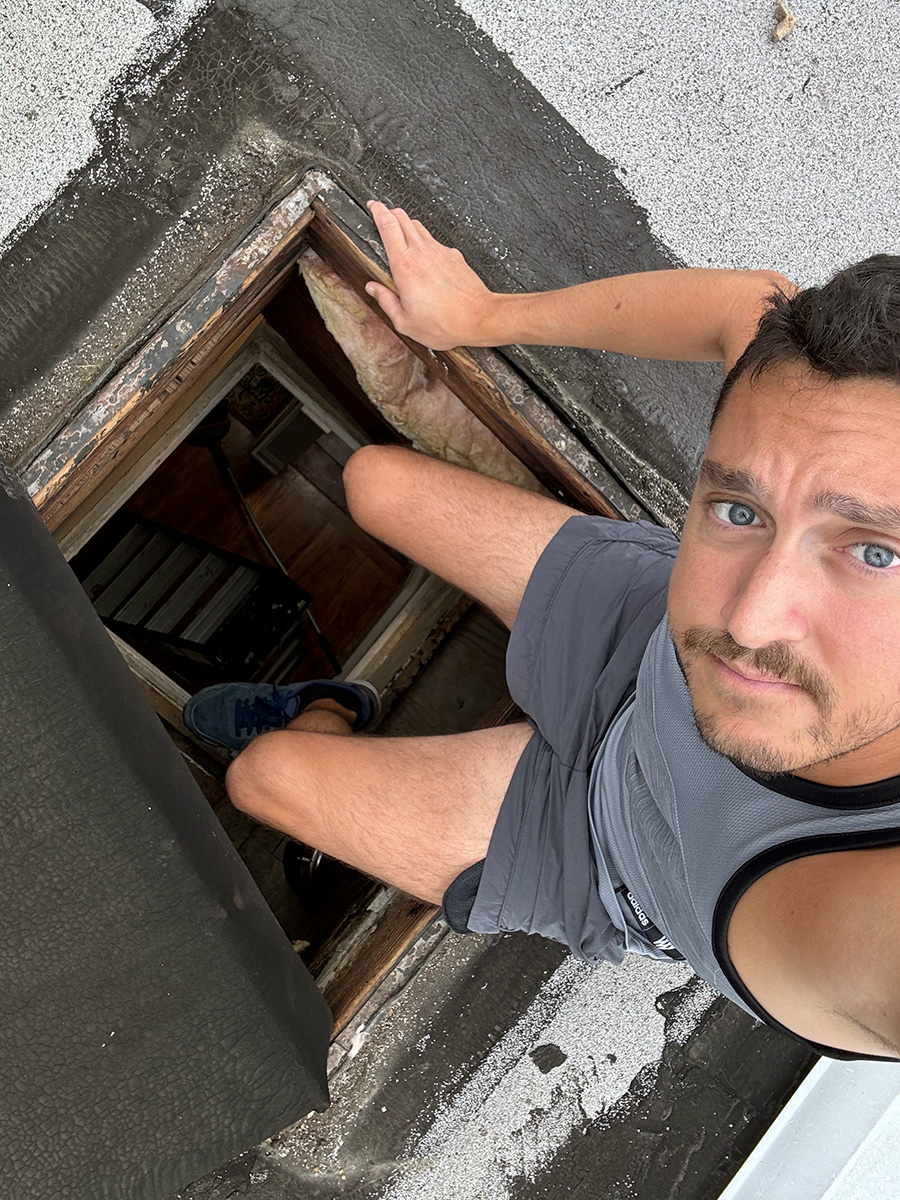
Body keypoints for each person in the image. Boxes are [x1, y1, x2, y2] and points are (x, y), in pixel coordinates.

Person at [185, 201, 900, 1062]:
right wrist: (478, 316)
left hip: (606, 848)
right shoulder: (807, 393)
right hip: (646, 644)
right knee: (371, 481)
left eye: (873, 552)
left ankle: (329, 709)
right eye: (739, 508)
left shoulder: (861, 918)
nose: (748, 619)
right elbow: (744, 304)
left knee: (263, 778)